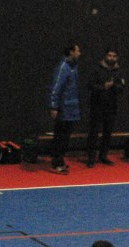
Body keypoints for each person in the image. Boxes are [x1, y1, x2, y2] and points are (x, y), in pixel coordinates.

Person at [85, 48, 124, 167]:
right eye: (109, 55)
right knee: (94, 133)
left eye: (114, 56)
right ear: (105, 56)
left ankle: (103, 156)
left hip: (111, 106)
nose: (111, 58)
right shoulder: (96, 69)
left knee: (108, 133)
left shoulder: (118, 71)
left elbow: (121, 87)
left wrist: (114, 87)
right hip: (97, 106)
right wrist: (104, 87)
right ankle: (91, 158)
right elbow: (90, 85)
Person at [49, 42, 81, 174]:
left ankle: (60, 160)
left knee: (66, 137)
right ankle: (56, 163)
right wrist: (53, 106)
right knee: (60, 136)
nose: (79, 53)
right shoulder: (63, 67)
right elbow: (56, 88)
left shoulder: (73, 67)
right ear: (71, 52)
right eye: (77, 51)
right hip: (63, 108)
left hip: (71, 108)